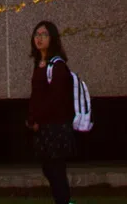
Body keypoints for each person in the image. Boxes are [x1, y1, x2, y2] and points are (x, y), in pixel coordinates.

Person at [24, 20, 80, 204]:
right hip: (42, 127)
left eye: (44, 35)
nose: (39, 38)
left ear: (52, 38)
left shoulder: (57, 66)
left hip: (55, 127)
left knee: (56, 170)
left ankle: (64, 201)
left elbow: (55, 98)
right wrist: (31, 119)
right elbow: (37, 95)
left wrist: (37, 118)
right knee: (48, 169)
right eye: (36, 34)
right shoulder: (39, 64)